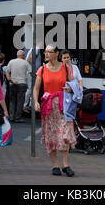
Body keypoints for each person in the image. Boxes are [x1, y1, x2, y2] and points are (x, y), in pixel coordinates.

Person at [33, 45, 76, 177]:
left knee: (65, 134)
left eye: (49, 52)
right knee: (51, 135)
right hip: (48, 106)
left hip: (64, 105)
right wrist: (35, 101)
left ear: (56, 53)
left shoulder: (65, 67)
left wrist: (70, 88)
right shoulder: (42, 69)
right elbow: (36, 88)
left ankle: (65, 164)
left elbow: (73, 84)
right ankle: (55, 165)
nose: (46, 54)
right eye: (45, 52)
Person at [6, 50, 31, 123]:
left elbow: (7, 72)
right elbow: (30, 72)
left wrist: (10, 80)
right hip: (22, 83)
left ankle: (11, 117)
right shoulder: (25, 62)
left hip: (13, 83)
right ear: (23, 55)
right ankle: (17, 117)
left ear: (17, 55)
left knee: (12, 100)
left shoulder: (11, 61)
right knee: (20, 101)